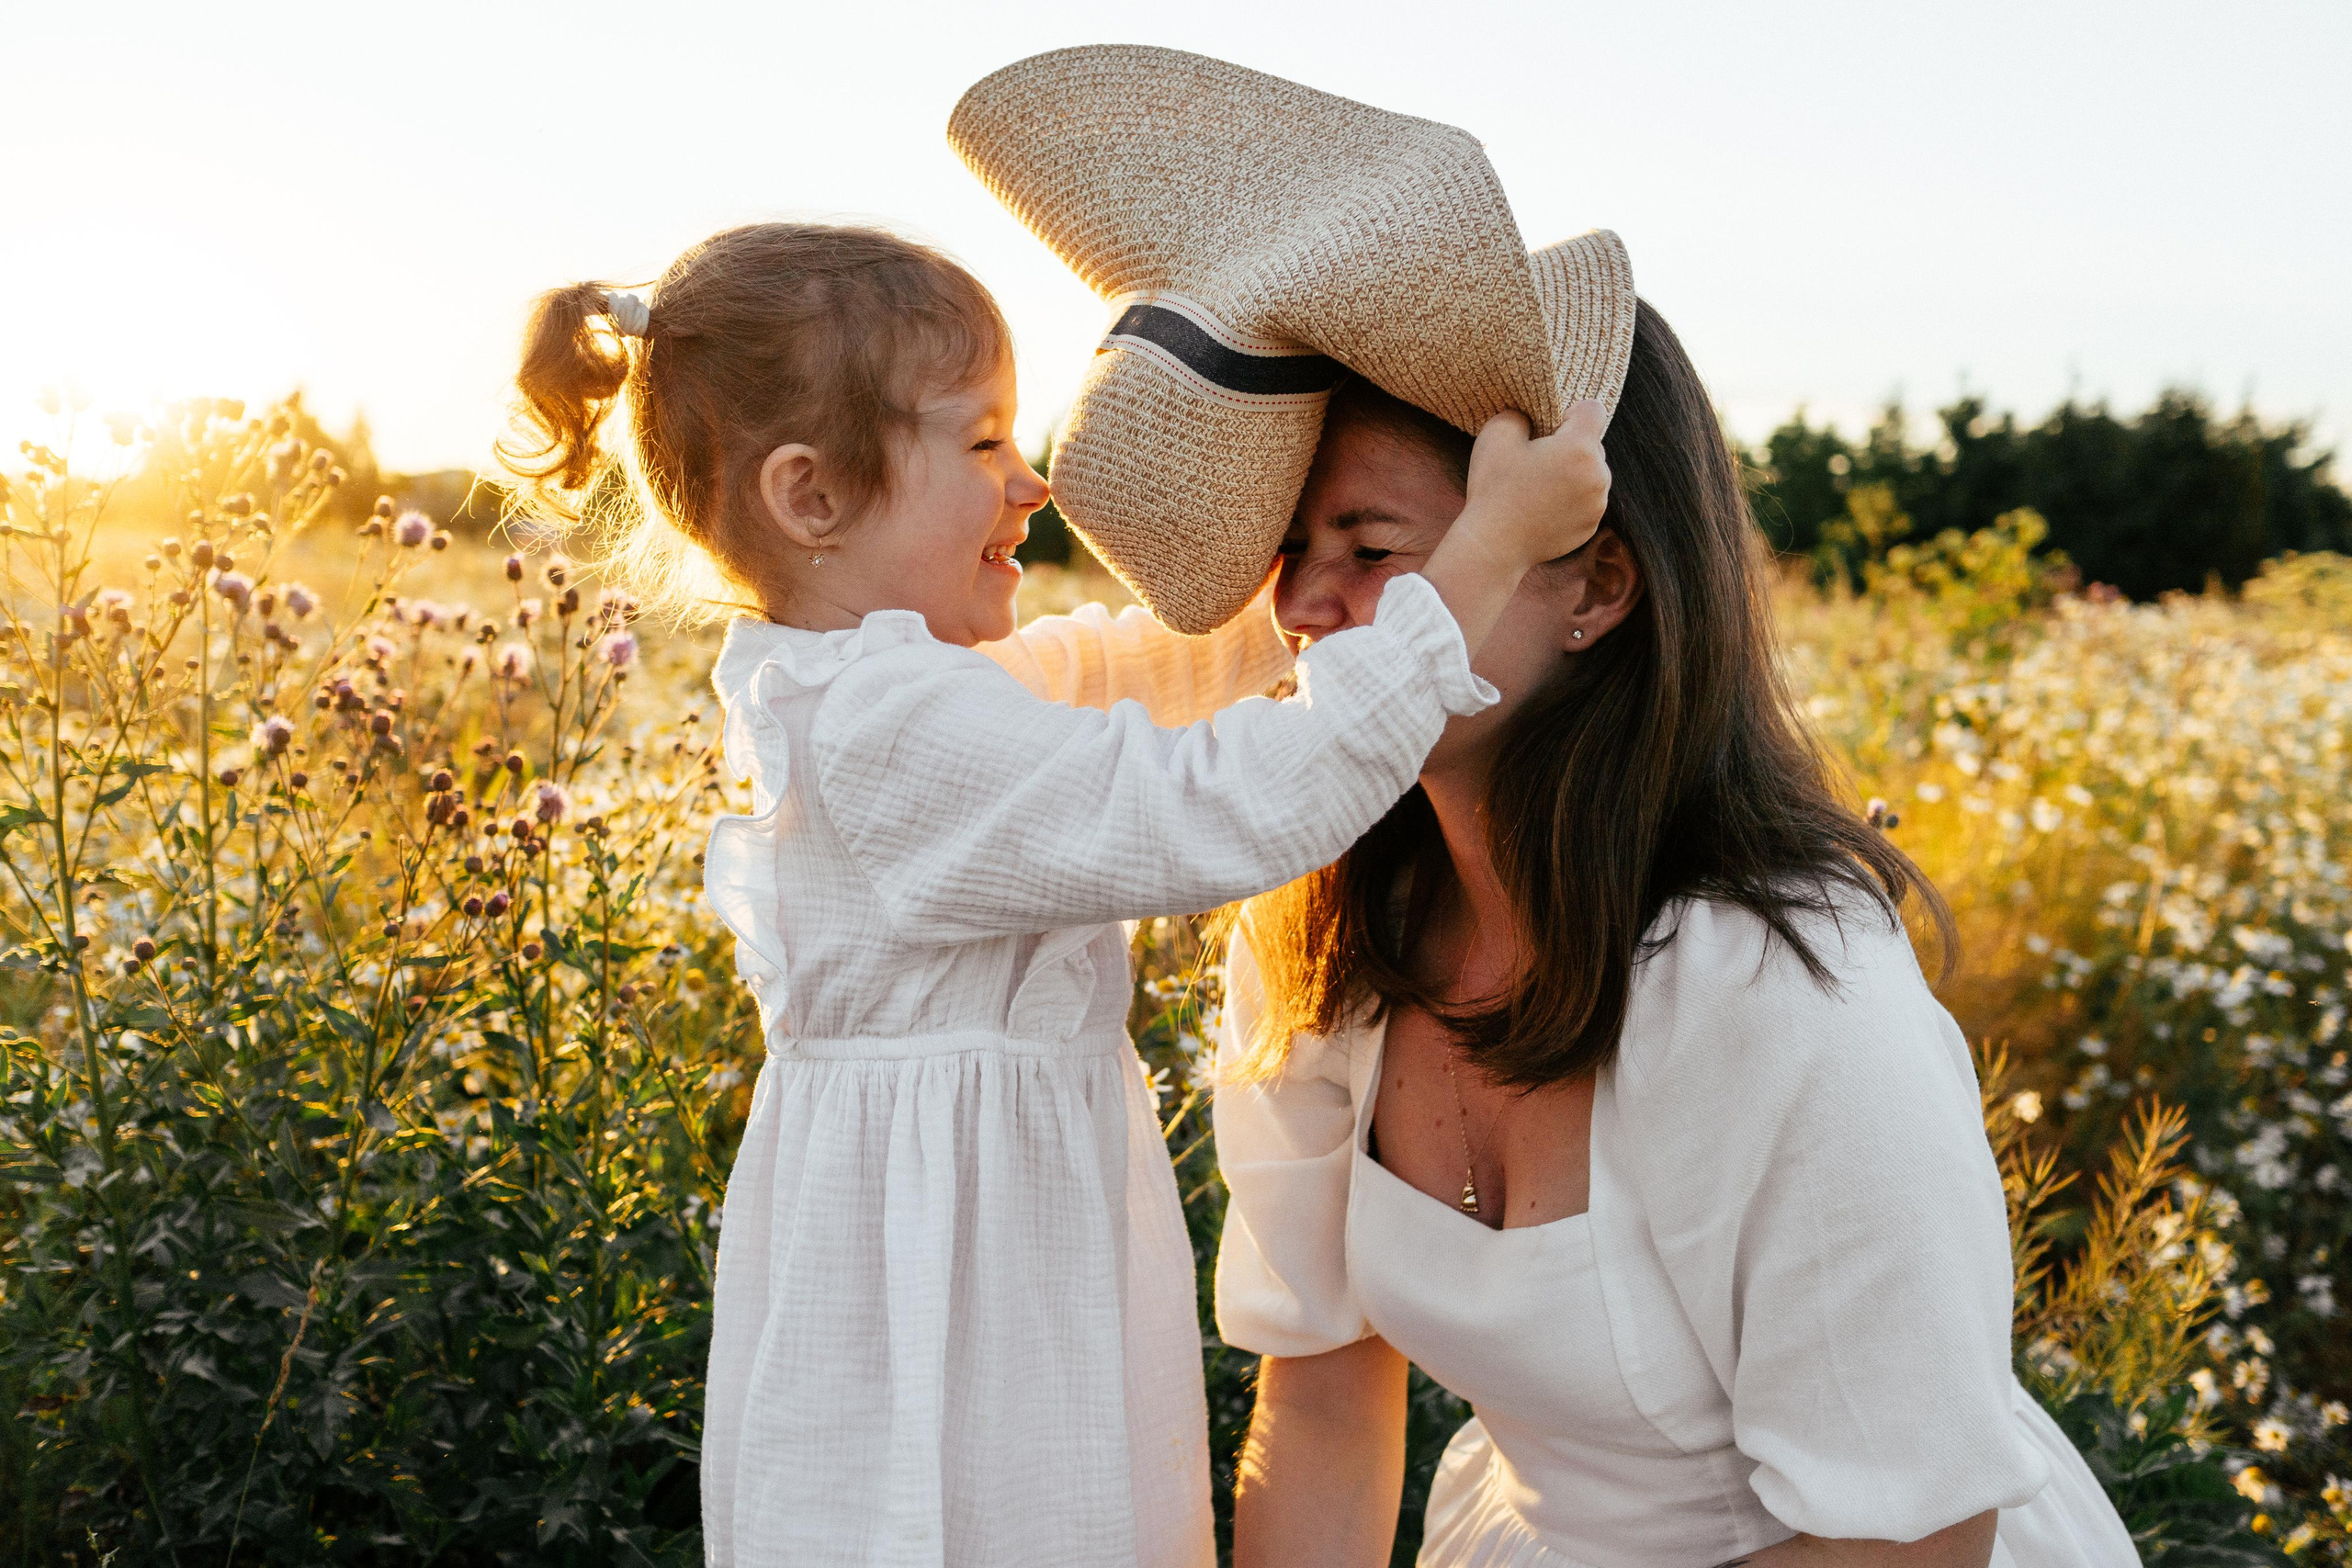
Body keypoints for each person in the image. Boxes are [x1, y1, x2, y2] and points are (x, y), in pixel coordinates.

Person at [497, 220, 1611, 1568]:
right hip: (950, 1307)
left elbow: (1126, 669)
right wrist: (1478, 558)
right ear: (811, 498)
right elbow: (1229, 806)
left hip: (999, 1248)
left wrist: (1305, 597)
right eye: (981, 444)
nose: (1030, 483)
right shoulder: (882, 736)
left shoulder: (912, 691)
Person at [1210, 306, 2143, 1567]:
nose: (1304, 609)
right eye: (1289, 546)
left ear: (1596, 585)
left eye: (1373, 549)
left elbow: (1911, 1542)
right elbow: (1321, 1406)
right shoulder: (1319, 936)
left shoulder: (1779, 989)